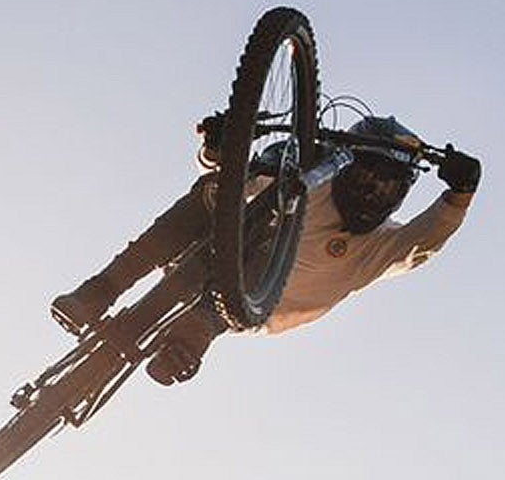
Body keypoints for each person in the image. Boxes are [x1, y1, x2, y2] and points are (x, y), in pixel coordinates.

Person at [48, 113, 479, 385]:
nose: (373, 193)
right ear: (348, 165)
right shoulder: (317, 176)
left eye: (389, 187)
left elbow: (429, 237)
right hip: (216, 254)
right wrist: (221, 146)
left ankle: (193, 336)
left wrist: (462, 190)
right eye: (368, 177)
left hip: (256, 304)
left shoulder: (382, 246)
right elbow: (240, 179)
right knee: (213, 194)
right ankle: (102, 288)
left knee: (271, 252)